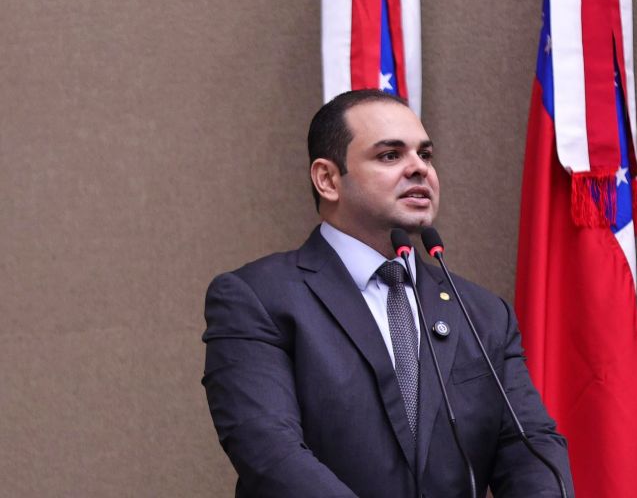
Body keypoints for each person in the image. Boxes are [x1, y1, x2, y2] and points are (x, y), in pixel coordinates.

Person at [202, 89, 574, 497]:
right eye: (390, 155)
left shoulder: (484, 314)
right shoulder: (257, 297)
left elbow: (530, 448)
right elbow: (269, 451)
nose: (419, 169)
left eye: (425, 155)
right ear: (327, 179)